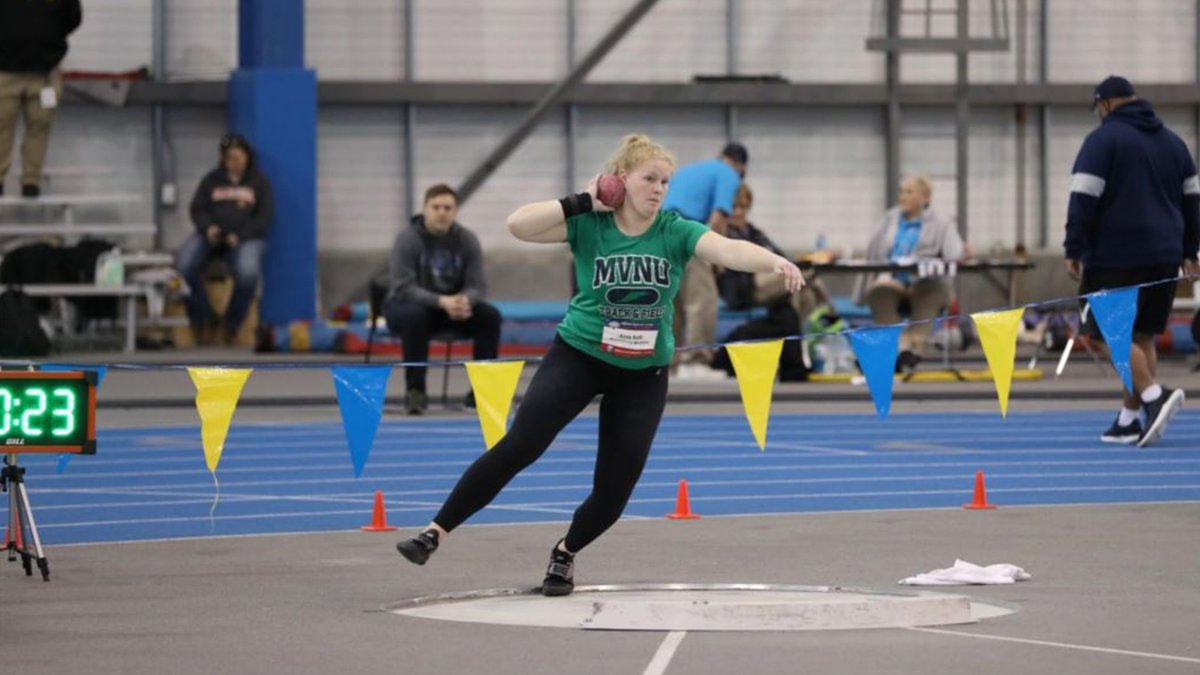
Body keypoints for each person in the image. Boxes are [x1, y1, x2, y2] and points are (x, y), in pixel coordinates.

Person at [395, 134, 803, 596]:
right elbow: (518, 225)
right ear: (621, 179)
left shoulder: (675, 230)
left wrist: (775, 261)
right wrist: (582, 201)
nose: (658, 189)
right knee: (520, 446)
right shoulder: (590, 224)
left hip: (642, 375)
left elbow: (727, 249)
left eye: (665, 181)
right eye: (649, 179)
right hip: (580, 356)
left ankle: (565, 553)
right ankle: (434, 532)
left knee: (613, 494)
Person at [1065, 75, 1199, 447]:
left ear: (1105, 105)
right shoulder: (1174, 143)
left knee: (1104, 330)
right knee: (1141, 335)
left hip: (1116, 253)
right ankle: (1128, 419)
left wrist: (1073, 247)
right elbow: (1193, 201)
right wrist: (1191, 250)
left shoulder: (1102, 140)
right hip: (1165, 255)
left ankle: (1155, 397)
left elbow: (1084, 197)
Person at [383, 183, 501, 415]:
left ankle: (481, 393)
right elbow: (403, 286)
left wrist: (465, 301)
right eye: (436, 207)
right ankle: (415, 391)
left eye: (447, 207)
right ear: (425, 209)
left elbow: (478, 285)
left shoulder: (467, 239)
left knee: (489, 315)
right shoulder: (407, 239)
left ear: (455, 211)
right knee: (414, 316)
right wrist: (442, 302)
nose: (441, 212)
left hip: (453, 310)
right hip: (406, 307)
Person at [854, 174, 963, 372]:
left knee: (929, 291)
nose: (902, 197)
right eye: (901, 192)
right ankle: (900, 345)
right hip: (893, 281)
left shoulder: (943, 222)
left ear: (925, 197)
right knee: (880, 291)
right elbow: (873, 254)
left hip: (926, 282)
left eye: (909, 192)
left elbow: (955, 254)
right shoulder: (888, 219)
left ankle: (914, 346)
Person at [177, 134, 274, 346]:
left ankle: (231, 324)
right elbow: (197, 209)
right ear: (223, 159)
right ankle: (204, 318)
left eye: (239, 158)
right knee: (183, 264)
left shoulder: (259, 182)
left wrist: (240, 235)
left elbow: (264, 216)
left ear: (247, 157)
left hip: (245, 238)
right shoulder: (211, 180)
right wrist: (208, 228)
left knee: (248, 273)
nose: (235, 163)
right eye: (230, 159)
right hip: (211, 235)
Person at [661, 142, 747, 378]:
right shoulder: (729, 174)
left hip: (662, 233)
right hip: (686, 232)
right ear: (740, 167)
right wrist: (717, 257)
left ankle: (670, 364)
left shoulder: (692, 170)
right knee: (703, 300)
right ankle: (695, 361)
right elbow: (718, 216)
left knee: (673, 303)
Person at [0, 0, 82, 197]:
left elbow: (73, 18)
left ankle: (31, 180)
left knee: (40, 125)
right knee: (3, 125)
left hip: (44, 73)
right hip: (5, 70)